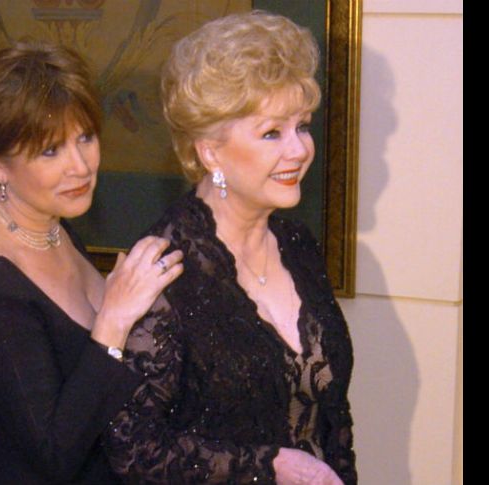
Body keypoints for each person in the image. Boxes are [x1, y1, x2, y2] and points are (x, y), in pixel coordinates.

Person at [104, 11, 357, 485]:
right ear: (210, 151)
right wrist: (270, 465)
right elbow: (132, 449)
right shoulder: (166, 268)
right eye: (272, 132)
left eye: (303, 126)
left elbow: (332, 418)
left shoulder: (297, 243)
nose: (300, 150)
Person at [0, 41, 183, 484]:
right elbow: (53, 454)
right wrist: (114, 320)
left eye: (85, 137)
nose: (80, 166)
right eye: (50, 150)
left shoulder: (47, 221)